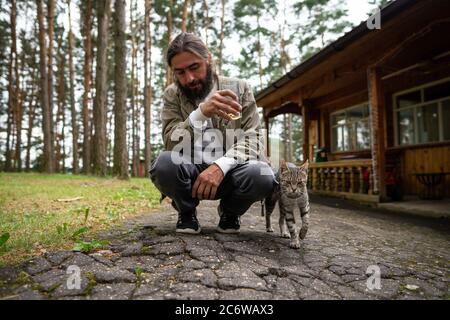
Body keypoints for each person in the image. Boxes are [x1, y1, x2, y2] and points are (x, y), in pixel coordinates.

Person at [150, 32, 275, 235]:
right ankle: (186, 211)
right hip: (190, 171)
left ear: (208, 59)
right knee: (164, 163)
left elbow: (254, 137)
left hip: (232, 172)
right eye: (180, 72)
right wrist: (200, 114)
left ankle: (230, 212)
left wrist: (220, 166)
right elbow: (171, 142)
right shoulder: (172, 94)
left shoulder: (240, 89)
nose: (189, 78)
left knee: (263, 174)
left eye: (194, 67)